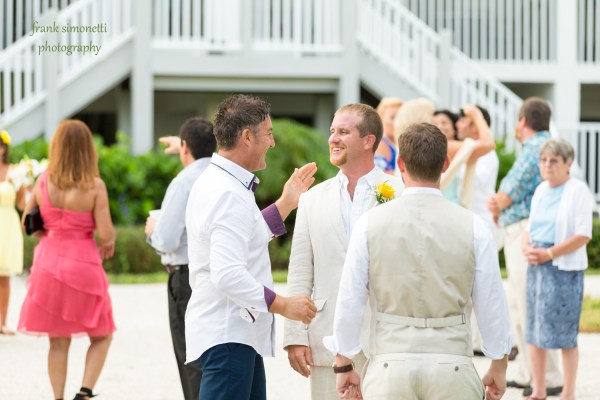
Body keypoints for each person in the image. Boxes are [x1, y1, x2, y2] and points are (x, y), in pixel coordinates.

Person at [324, 122, 511, 400]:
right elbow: (492, 302)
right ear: (445, 164)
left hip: (389, 366)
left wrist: (344, 362)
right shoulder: (474, 226)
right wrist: (498, 363)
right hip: (452, 366)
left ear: (400, 163)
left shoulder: (369, 224)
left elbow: (350, 298)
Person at [149, 118, 318, 400]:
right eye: (269, 134)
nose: (273, 142)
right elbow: (227, 275)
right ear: (247, 137)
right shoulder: (227, 191)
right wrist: (284, 305)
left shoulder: (225, 182)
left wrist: (287, 202)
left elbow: (251, 234)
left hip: (236, 335)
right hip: (229, 336)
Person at [283, 103, 403, 400]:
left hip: (386, 343)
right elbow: (300, 271)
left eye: (343, 132)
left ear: (368, 140)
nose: (333, 139)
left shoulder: (398, 192)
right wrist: (295, 335)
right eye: (332, 131)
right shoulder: (312, 199)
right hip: (327, 338)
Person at [18, 120, 116, 400]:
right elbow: (106, 234)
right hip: (83, 264)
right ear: (88, 149)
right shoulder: (95, 186)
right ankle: (84, 393)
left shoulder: (44, 180)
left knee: (57, 341)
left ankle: (58, 398)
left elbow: (28, 225)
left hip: (48, 264)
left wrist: (50, 228)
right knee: (102, 334)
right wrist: (107, 242)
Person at [487, 97, 564, 397]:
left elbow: (506, 194)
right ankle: (528, 373)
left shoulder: (535, 148)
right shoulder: (546, 145)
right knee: (521, 305)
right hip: (527, 231)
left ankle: (549, 376)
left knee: (529, 304)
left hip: (525, 232)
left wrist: (498, 204)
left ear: (522, 121)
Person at [144, 117, 216, 400]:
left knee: (191, 357)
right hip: (217, 274)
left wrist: (152, 231)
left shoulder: (184, 181)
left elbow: (166, 239)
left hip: (186, 277)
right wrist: (184, 144)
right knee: (213, 353)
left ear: (185, 147)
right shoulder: (224, 174)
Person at [522, 138, 593, 400]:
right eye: (543, 160)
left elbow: (583, 234)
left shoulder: (578, 190)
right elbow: (529, 227)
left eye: (554, 160)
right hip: (536, 267)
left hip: (563, 271)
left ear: (568, 163)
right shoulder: (541, 189)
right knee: (534, 330)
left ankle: (568, 393)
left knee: (565, 333)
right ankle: (539, 390)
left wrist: (549, 253)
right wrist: (526, 247)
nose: (547, 165)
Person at [0, 130, 26, 335]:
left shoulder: (14, 172)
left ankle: (2, 322)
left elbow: (21, 204)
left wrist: (23, 189)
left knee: (4, 276)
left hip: (7, 224)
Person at [374, 97, 403, 175]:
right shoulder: (381, 144)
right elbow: (380, 177)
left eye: (400, 118)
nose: (397, 122)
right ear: (380, 119)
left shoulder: (397, 144)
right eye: (392, 117)